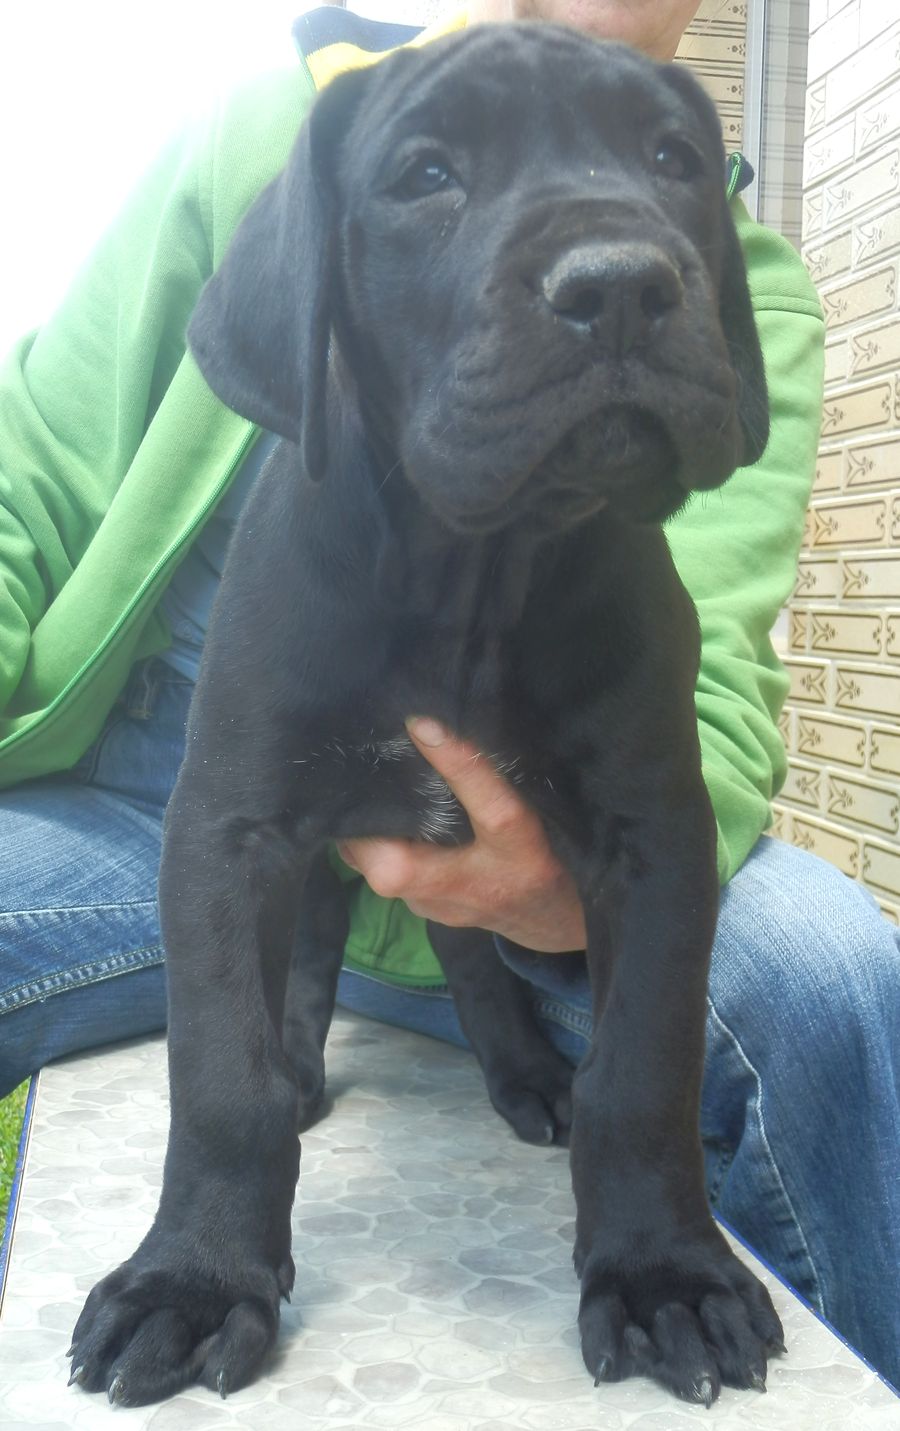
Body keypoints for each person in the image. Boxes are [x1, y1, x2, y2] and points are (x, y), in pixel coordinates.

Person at [0, 0, 897, 1389]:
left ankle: (687, 1261)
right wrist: (215, 1212)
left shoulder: (746, 274)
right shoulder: (288, 131)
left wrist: (550, 926)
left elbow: (674, 798)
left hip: (545, 888)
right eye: (433, 176)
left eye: (665, 162)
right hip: (156, 797)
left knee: (833, 976)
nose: (616, 263)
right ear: (324, 301)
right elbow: (34, 491)